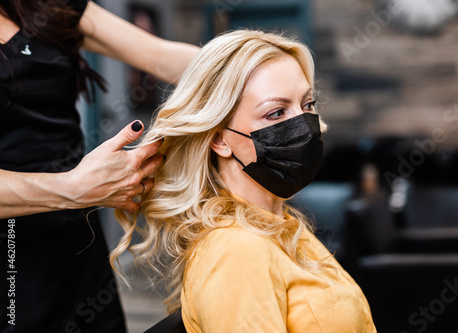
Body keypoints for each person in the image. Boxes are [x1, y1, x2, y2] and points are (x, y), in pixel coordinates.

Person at [112, 30, 377, 332]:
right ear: (219, 140)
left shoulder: (280, 223)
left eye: (306, 105)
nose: (303, 125)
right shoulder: (236, 252)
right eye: (276, 113)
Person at [0, 0, 199, 331]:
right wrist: (72, 188)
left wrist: (257, 67)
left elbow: (160, 56)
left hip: (76, 247)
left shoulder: (42, 5)